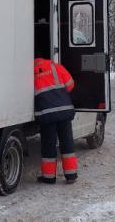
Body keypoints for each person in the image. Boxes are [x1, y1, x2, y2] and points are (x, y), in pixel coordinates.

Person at [34, 53, 78, 184]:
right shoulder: (55, 66)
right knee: (67, 143)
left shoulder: (28, 72)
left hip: (46, 114)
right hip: (64, 111)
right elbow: (70, 85)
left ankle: (49, 177)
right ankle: (71, 175)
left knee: (48, 145)